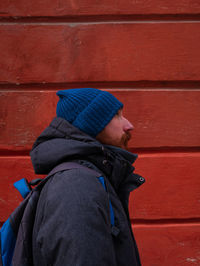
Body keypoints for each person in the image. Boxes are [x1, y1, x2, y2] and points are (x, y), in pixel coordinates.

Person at [30, 88, 145, 266]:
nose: (129, 125)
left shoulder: (87, 177)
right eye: (117, 116)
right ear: (92, 124)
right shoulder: (76, 185)